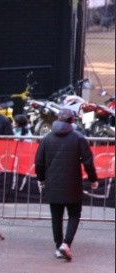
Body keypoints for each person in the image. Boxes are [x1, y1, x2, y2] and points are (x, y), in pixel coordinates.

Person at [34, 108, 98, 262]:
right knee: (74, 214)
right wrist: (93, 179)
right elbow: (88, 162)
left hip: (53, 184)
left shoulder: (47, 138)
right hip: (73, 184)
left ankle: (58, 247)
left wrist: (41, 179)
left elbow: (39, 162)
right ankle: (66, 244)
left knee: (56, 216)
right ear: (72, 120)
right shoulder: (78, 138)